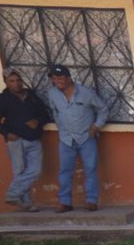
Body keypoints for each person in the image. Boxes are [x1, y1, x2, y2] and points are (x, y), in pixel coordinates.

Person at [42, 65, 109, 213]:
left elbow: (103, 109)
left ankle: (91, 201)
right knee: (65, 171)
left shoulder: (86, 93)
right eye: (54, 78)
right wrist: (61, 128)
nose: (57, 81)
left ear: (68, 78)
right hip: (66, 138)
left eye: (59, 77)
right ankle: (65, 202)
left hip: (86, 137)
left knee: (90, 169)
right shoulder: (53, 94)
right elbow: (55, 112)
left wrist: (96, 126)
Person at [0, 68, 50, 211]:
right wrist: (6, 133)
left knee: (35, 171)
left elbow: (45, 115)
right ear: (6, 83)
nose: (16, 84)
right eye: (12, 81)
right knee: (19, 171)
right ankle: (26, 203)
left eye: (18, 80)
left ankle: (13, 194)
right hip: (16, 140)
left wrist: (37, 121)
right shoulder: (1, 99)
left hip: (33, 139)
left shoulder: (31, 96)